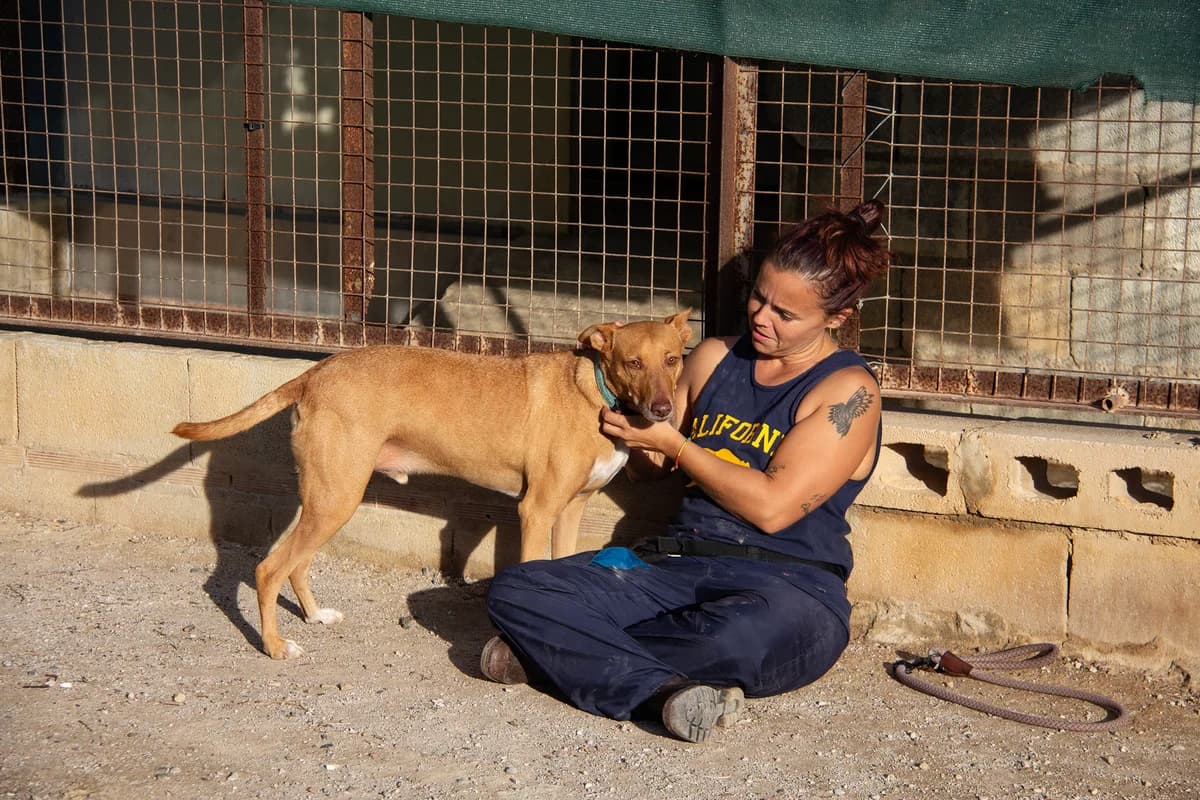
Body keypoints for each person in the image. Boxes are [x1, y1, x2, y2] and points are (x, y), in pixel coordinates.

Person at [480, 199, 892, 742]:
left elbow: (772, 508)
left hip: (787, 585)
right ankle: (662, 692)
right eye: (759, 298)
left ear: (836, 317)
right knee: (518, 588)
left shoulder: (848, 392)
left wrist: (675, 444)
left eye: (785, 315)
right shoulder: (715, 357)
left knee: (741, 637)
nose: (761, 318)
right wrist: (630, 408)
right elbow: (649, 469)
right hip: (675, 565)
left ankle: (558, 656)